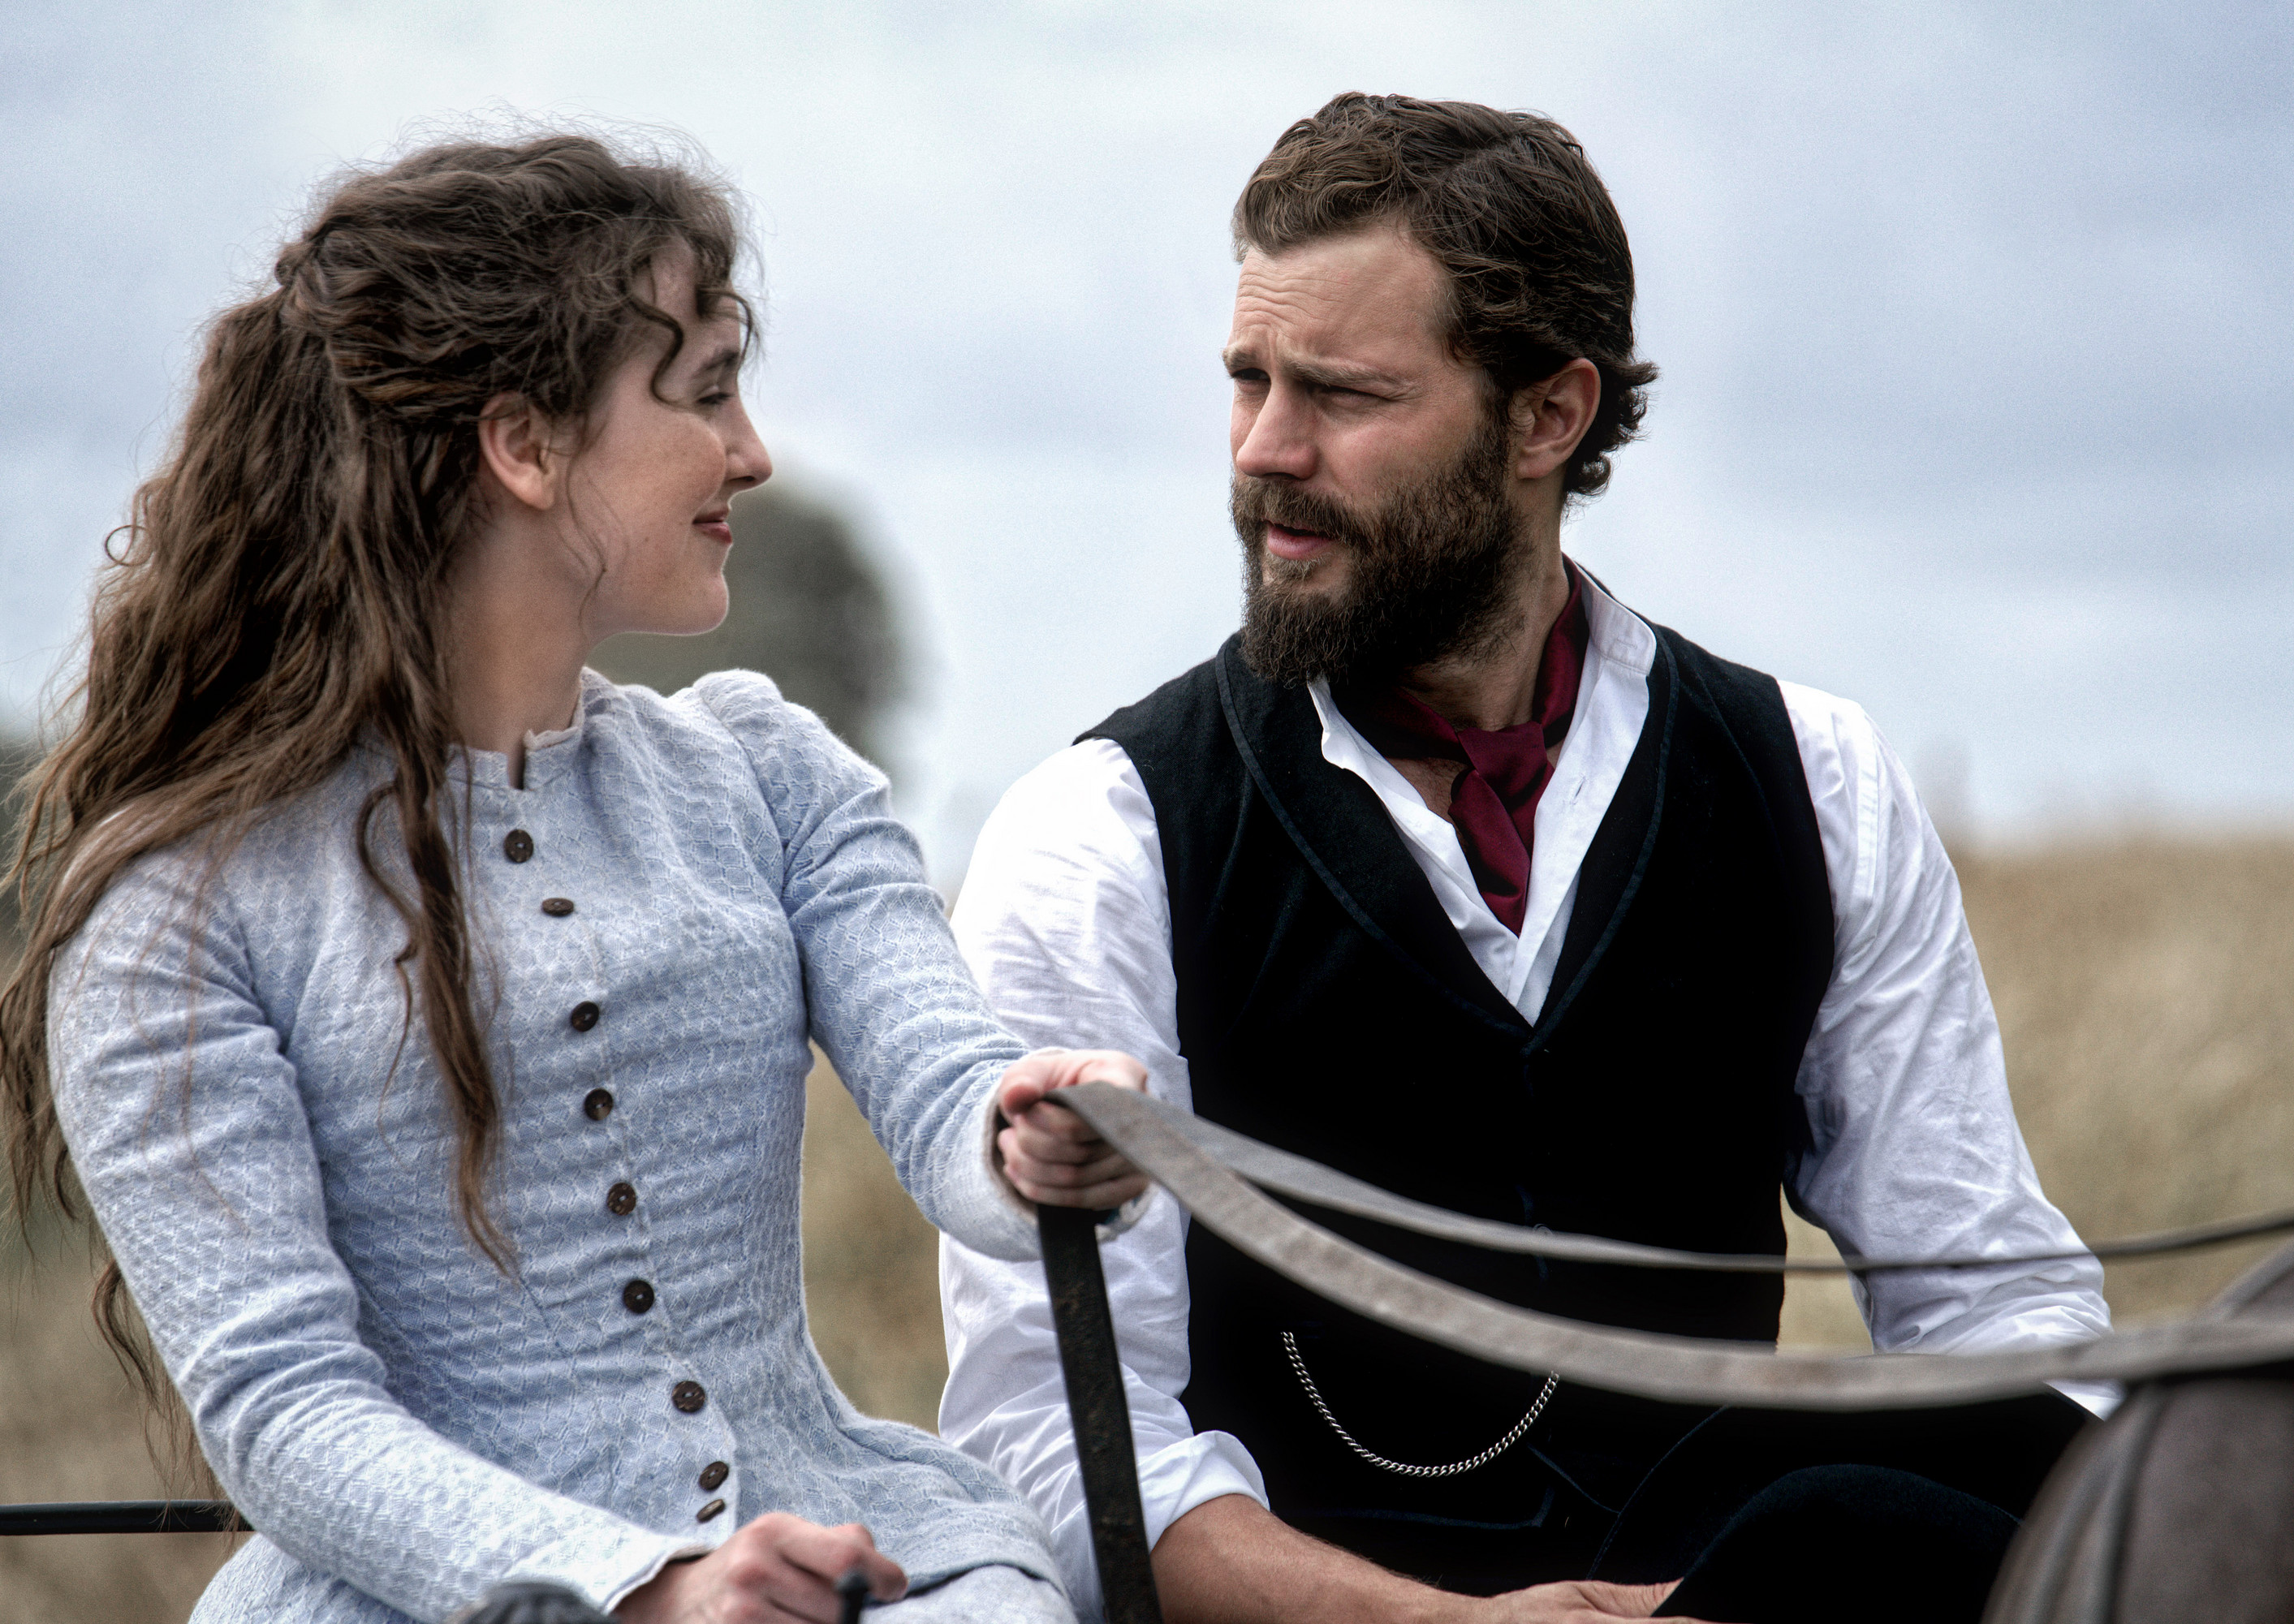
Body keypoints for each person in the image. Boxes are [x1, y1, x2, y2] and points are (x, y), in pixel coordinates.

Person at [938, 95, 2114, 1623]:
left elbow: (1994, 1309)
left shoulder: (1812, 785)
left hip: (1737, 1568)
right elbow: (1057, 1449)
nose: (1264, 454)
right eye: (1247, 380)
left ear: (1548, 416)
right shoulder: (1103, 837)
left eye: (1344, 395)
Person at [0, 134, 1149, 1624]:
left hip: (858, 1559)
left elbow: (948, 1093)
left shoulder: (766, 772)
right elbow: (284, 1408)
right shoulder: (174, 916)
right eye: (705, 389)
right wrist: (646, 1591)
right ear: (525, 445)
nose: (754, 451)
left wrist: (1037, 1137)